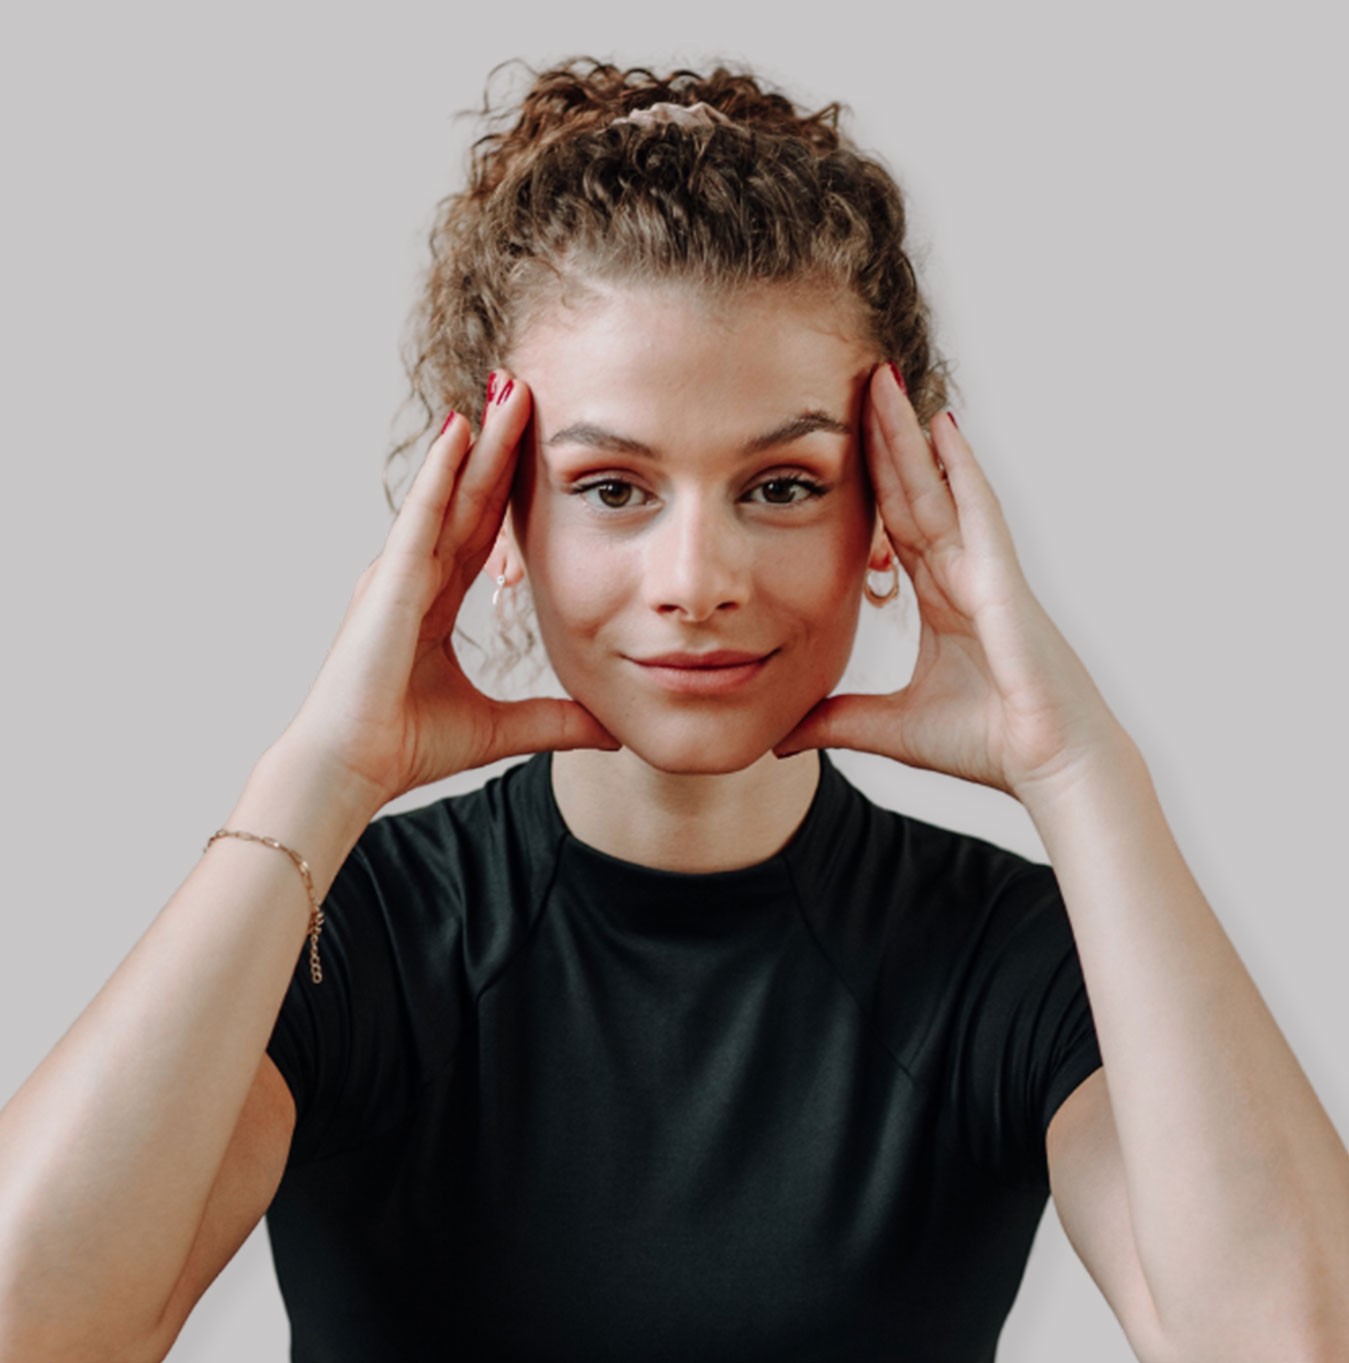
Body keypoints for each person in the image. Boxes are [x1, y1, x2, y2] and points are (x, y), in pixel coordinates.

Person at [1, 54, 1346, 1363]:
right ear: (497, 524)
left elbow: (1285, 1340)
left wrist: (1084, 774)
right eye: (610, 490)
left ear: (888, 517)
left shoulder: (1004, 962)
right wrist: (317, 778)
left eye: (780, 486)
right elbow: (35, 1325)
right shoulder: (347, 938)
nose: (695, 583)